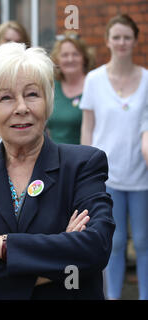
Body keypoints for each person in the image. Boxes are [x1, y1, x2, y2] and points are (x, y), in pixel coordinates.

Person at [0, 42, 115, 300]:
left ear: (47, 102)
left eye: (32, 94)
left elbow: (94, 249)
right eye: (6, 97)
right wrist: (55, 261)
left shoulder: (83, 165)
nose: (21, 108)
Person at [80, 14, 148, 300]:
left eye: (127, 37)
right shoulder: (94, 80)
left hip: (141, 176)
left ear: (135, 40)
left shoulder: (147, 80)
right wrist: (84, 171)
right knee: (115, 241)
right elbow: (88, 127)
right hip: (106, 177)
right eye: (116, 37)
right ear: (107, 41)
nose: (121, 42)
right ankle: (113, 296)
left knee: (144, 242)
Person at [46, 31, 94, 145]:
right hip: (55, 157)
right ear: (57, 60)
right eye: (65, 55)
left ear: (84, 58)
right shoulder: (51, 86)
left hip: (85, 157)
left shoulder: (93, 85)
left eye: (75, 54)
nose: (70, 59)